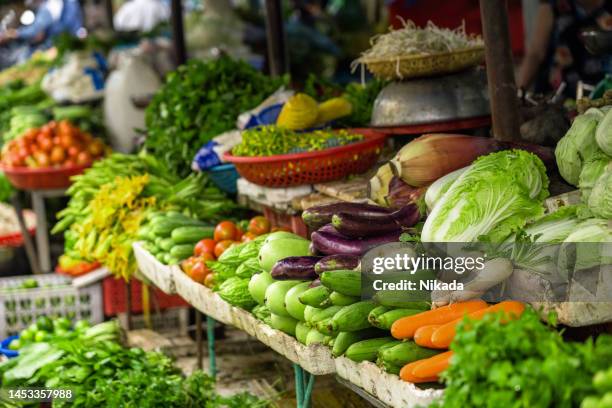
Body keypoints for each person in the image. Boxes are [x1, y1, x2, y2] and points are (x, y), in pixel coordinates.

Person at [517, 0, 612, 96]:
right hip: (559, 98)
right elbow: (536, 54)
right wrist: (519, 92)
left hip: (605, 96)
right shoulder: (554, 6)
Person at [0, 0, 83, 55]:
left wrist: (14, 34)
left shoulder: (49, 7)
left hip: (67, 46)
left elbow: (36, 30)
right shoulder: (60, 3)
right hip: (70, 43)